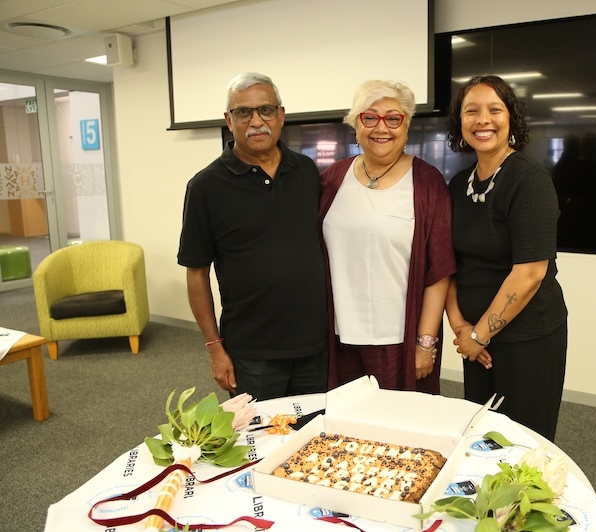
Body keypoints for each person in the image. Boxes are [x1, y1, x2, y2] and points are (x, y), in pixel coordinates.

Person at [177, 72, 328, 400]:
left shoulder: (306, 171)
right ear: (229, 121)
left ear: (281, 115)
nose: (256, 121)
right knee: (258, 444)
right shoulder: (205, 187)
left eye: (266, 110)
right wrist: (215, 348)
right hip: (251, 352)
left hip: (314, 345)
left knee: (313, 438)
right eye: (244, 112)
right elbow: (197, 272)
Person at [444, 75, 568, 442]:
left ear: (510, 119)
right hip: (476, 339)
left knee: (524, 443)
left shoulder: (528, 180)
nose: (483, 120)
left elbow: (529, 273)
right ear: (460, 123)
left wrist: (480, 333)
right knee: (481, 438)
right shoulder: (458, 184)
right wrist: (462, 328)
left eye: (494, 110)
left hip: (528, 338)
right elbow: (448, 263)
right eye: (472, 111)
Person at [319, 79, 455, 394]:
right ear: (355, 123)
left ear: (406, 125)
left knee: (400, 431)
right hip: (339, 338)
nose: (382, 127)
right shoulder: (331, 179)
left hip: (397, 341)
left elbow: (440, 272)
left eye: (393, 118)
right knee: (346, 431)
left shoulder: (426, 183)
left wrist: (425, 343)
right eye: (370, 117)